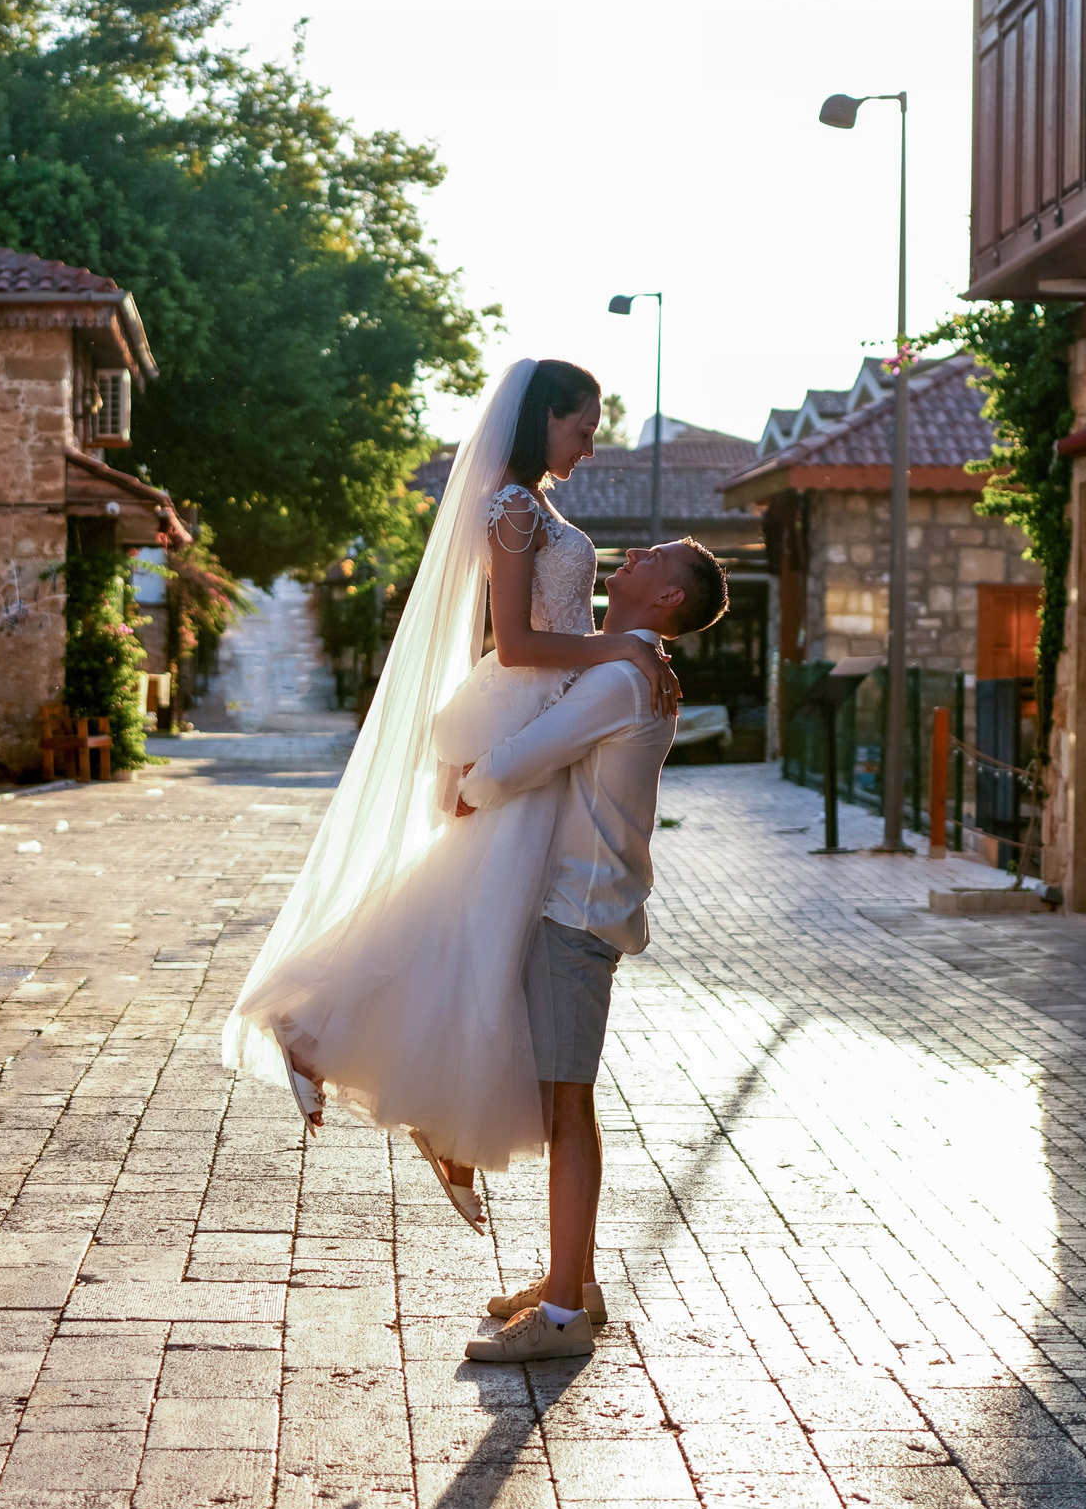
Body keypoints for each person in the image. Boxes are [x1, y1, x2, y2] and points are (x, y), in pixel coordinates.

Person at [222, 360, 681, 1226]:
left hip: (548, 713)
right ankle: (327, 1033)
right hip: (525, 712)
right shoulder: (510, 510)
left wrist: (619, 652)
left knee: (483, 923)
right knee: (480, 922)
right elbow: (514, 643)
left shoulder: (536, 506)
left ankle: (420, 1102)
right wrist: (617, 651)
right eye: (581, 427)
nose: (589, 443)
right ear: (541, 417)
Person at [451, 537, 729, 1361]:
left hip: (575, 913)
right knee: (566, 1104)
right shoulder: (629, 666)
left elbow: (526, 758)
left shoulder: (620, 679)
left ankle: (565, 1315)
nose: (634, 552)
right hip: (583, 906)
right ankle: (570, 1277)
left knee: (568, 1108)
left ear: (668, 598)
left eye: (655, 556)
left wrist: (462, 786)